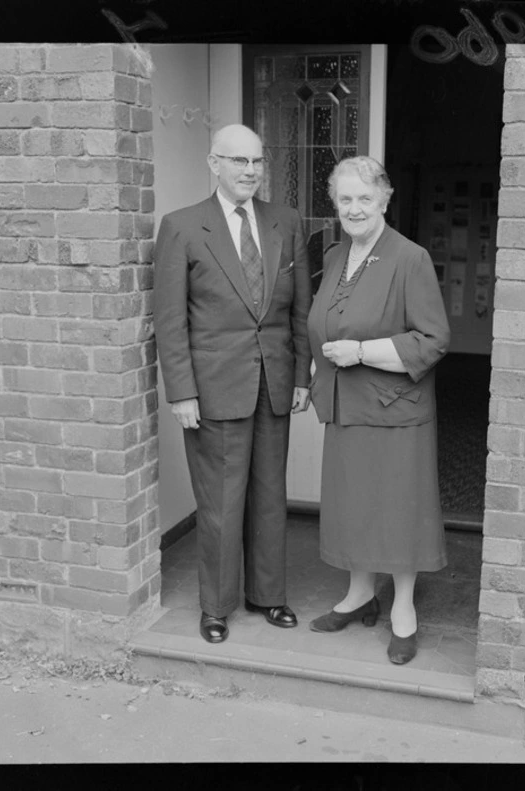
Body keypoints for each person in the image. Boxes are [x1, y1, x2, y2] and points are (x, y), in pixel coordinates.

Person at [153, 124, 312, 644]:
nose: (249, 171)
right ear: (213, 163)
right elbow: (171, 319)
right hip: (213, 386)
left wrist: (302, 374)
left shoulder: (286, 222)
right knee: (221, 501)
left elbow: (300, 308)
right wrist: (181, 391)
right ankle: (216, 605)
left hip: (275, 381)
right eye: (238, 161)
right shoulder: (181, 227)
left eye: (257, 162)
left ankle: (268, 594)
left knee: (270, 495)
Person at [307, 156, 450, 665]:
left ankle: (404, 609)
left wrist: (362, 352)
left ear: (385, 200)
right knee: (353, 504)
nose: (354, 208)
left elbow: (433, 340)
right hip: (346, 406)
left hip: (395, 411)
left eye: (365, 198)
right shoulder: (332, 256)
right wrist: (315, 371)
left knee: (396, 510)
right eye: (345, 199)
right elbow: (324, 324)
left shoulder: (409, 258)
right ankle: (359, 593)